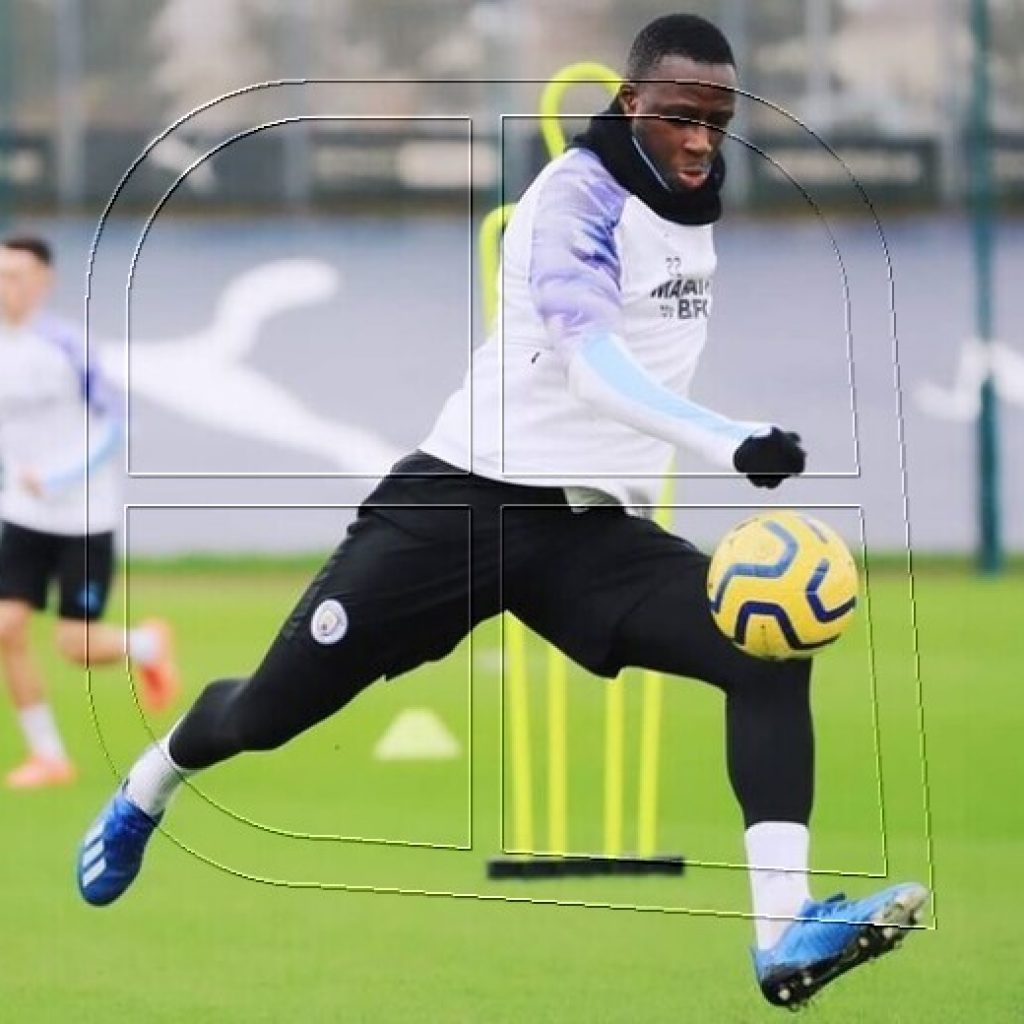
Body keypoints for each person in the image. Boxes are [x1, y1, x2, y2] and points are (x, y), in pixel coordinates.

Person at [75, 13, 926, 1009]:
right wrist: (728, 438)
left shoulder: (688, 199)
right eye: (680, 116)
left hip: (586, 535)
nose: (701, 139)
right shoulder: (572, 199)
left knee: (767, 649)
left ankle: (781, 935)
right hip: (458, 507)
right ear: (629, 104)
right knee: (266, 714)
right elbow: (591, 365)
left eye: (718, 120)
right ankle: (146, 787)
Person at [0, 235, 179, 788]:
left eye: (16, 274)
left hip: (84, 515)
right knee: (5, 628)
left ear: (43, 281)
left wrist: (58, 478)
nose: (6, 285)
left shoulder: (67, 347)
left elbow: (117, 425)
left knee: (75, 644)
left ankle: (146, 645)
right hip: (22, 514)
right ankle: (49, 756)